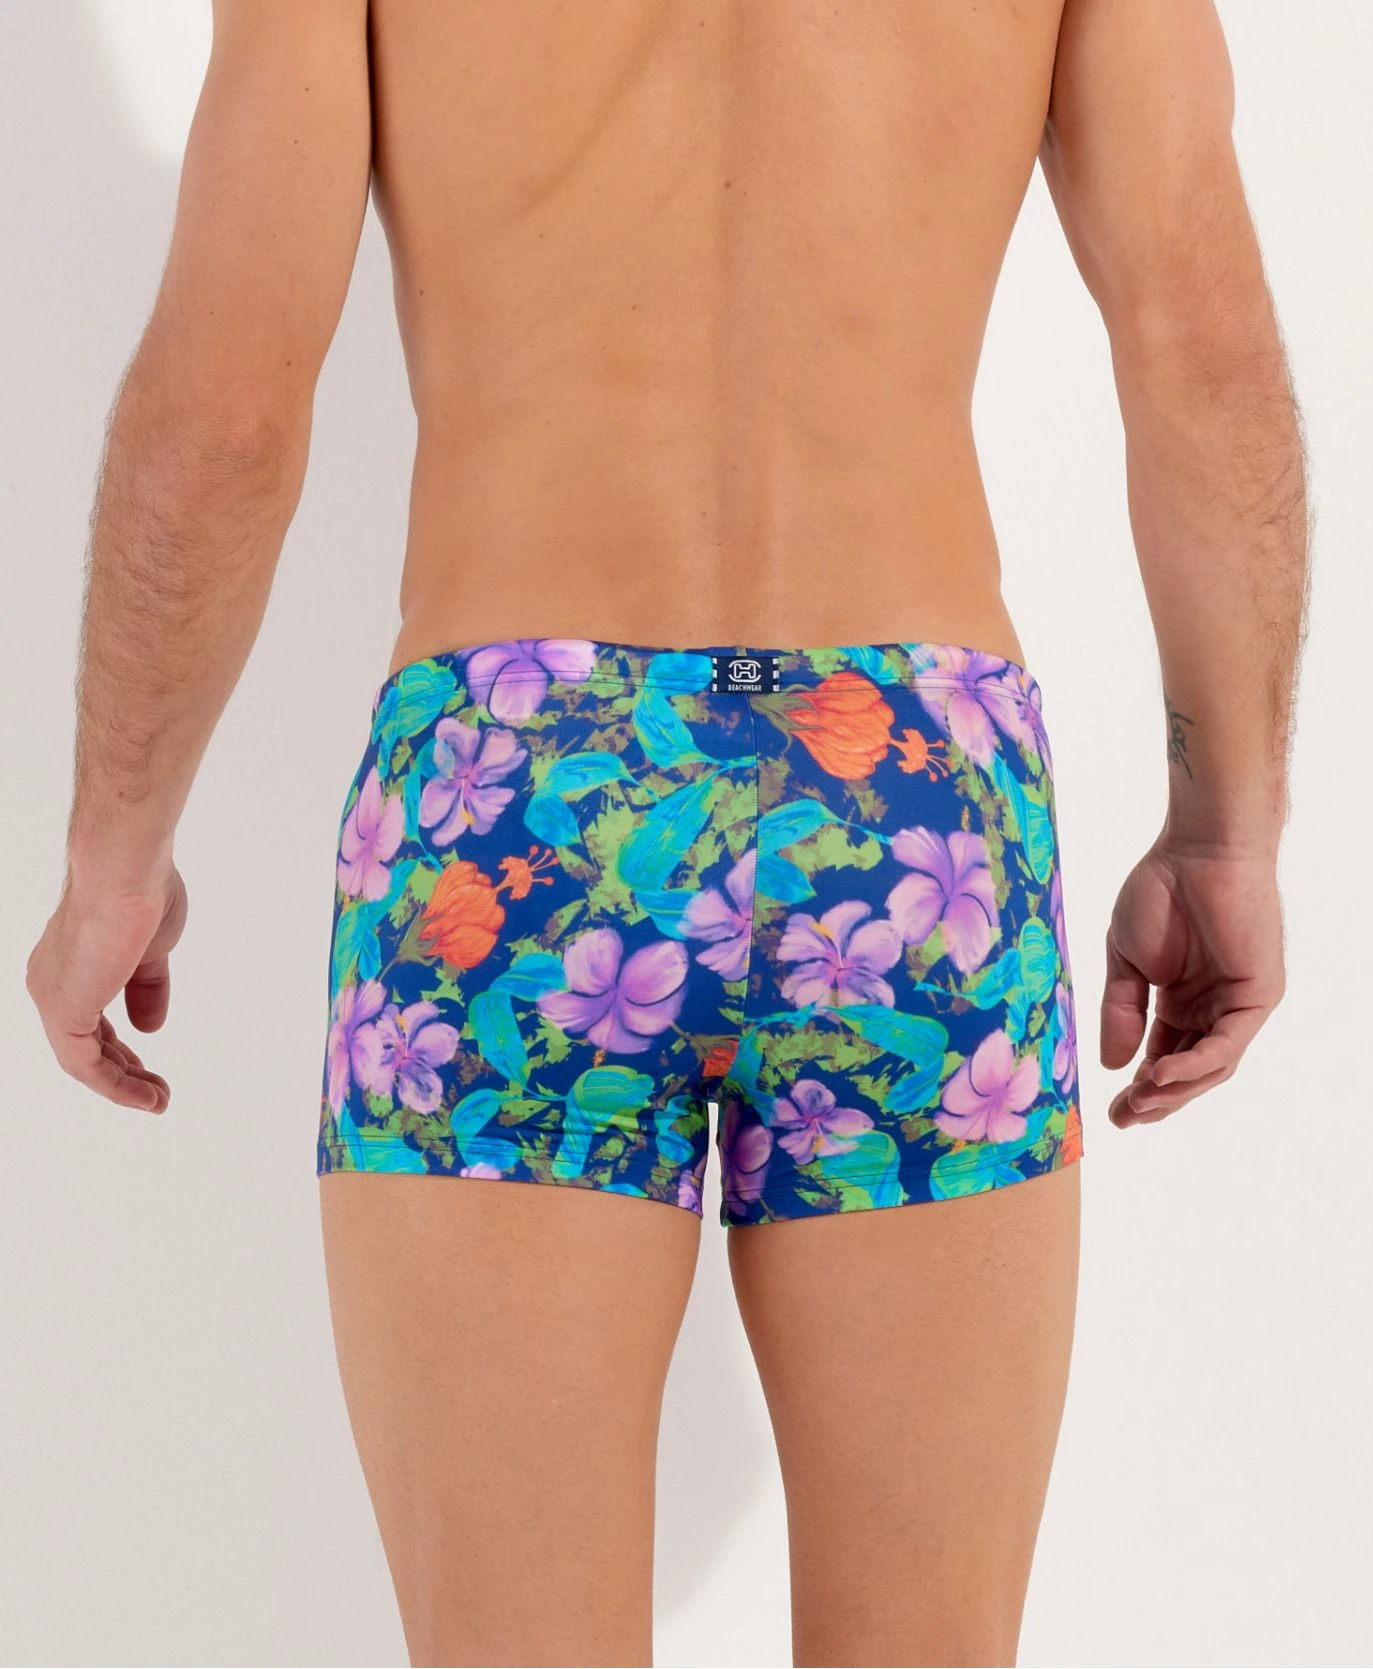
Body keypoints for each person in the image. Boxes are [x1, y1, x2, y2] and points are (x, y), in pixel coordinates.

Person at [25, 0, 1305, 1663]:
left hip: (513, 803)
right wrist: (1226, 832)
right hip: (907, 801)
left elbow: (224, 412)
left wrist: (114, 855)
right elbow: (1203, 347)